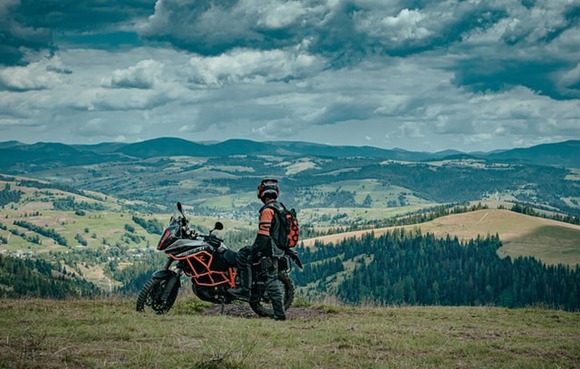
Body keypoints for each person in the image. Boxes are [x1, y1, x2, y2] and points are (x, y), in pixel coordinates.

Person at [228, 178, 287, 320]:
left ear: (262, 193)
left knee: (269, 278)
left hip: (270, 249)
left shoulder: (268, 210)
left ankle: (246, 291)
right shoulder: (280, 207)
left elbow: (264, 235)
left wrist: (255, 251)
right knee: (246, 255)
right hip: (277, 248)